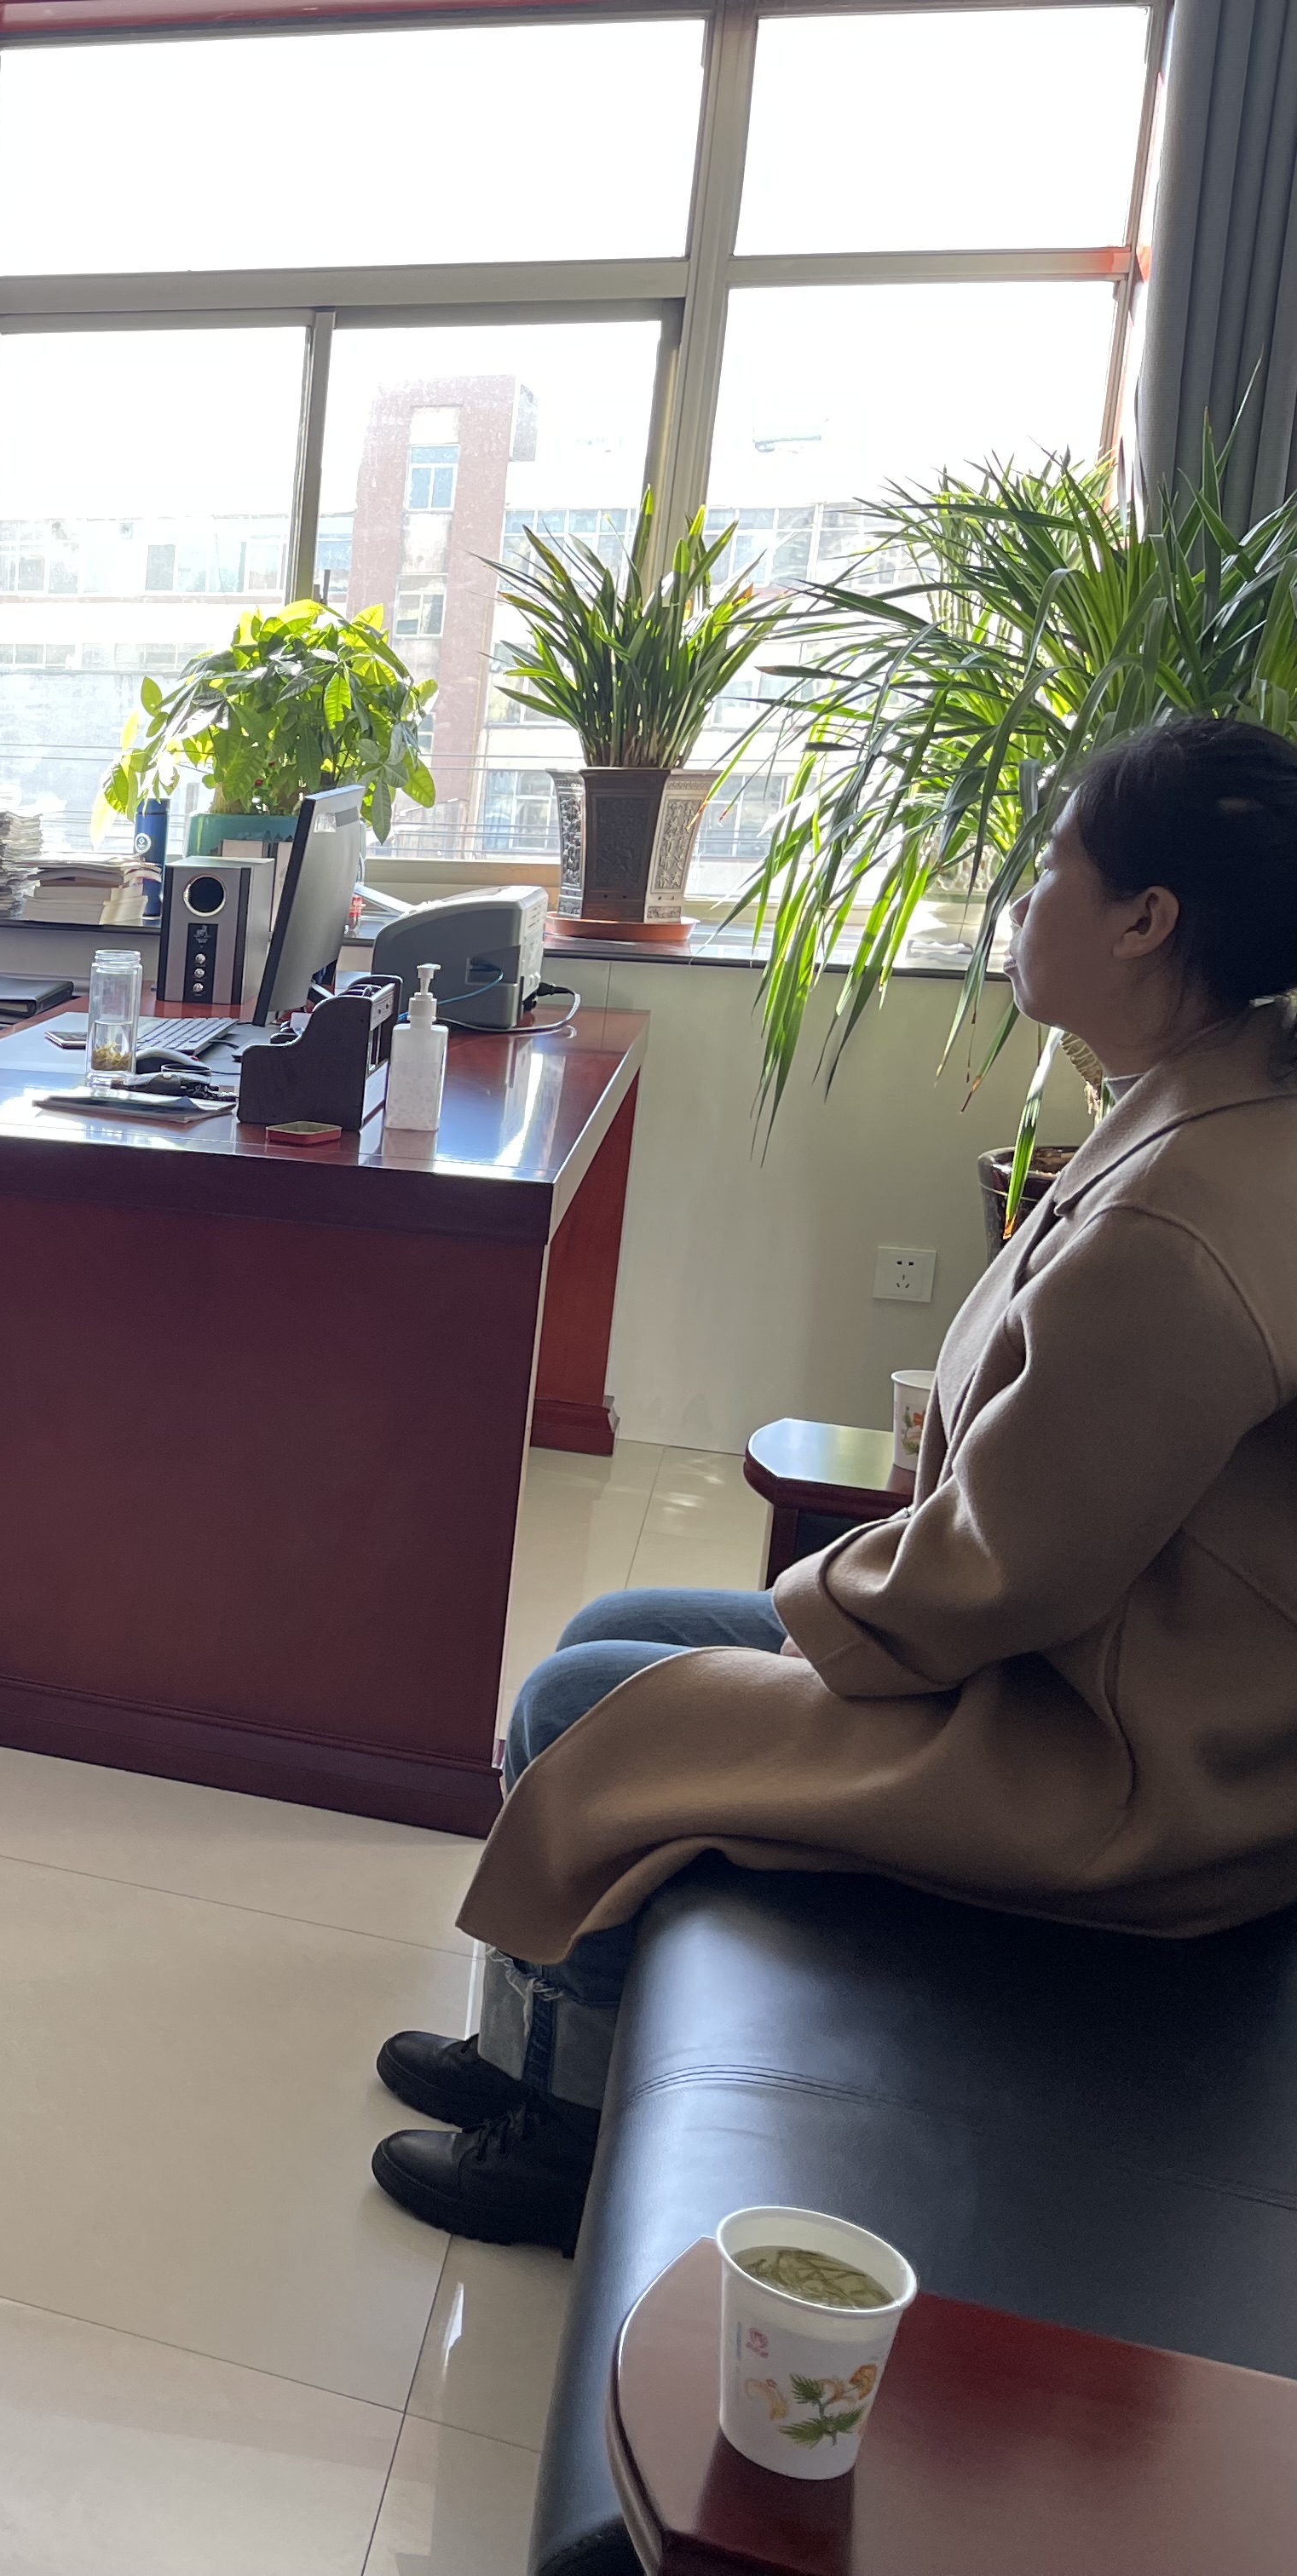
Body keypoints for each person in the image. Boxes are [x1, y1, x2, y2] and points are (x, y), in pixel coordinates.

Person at [372, 714, 1297, 2252]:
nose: (1023, 901)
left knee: (592, 1698)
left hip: (1117, 1762)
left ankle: (568, 2139)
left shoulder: (1183, 1217)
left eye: (1052, 868)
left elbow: (1008, 1572)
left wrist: (824, 1610)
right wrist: (840, 1610)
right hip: (1081, 1671)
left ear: (1147, 920)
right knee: (607, 1628)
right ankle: (534, 2047)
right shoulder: (1214, 1096)